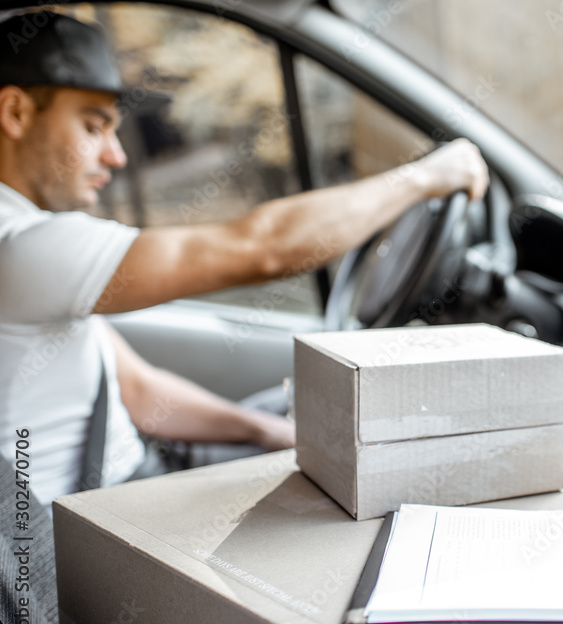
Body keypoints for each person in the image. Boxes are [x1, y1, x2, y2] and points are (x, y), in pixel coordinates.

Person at [0, 11, 490, 508]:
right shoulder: (21, 246)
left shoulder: (32, 251)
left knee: (320, 416)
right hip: (105, 514)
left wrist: (267, 433)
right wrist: (426, 176)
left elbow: (138, 391)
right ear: (15, 113)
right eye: (93, 126)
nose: (117, 156)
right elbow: (264, 248)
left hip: (143, 470)